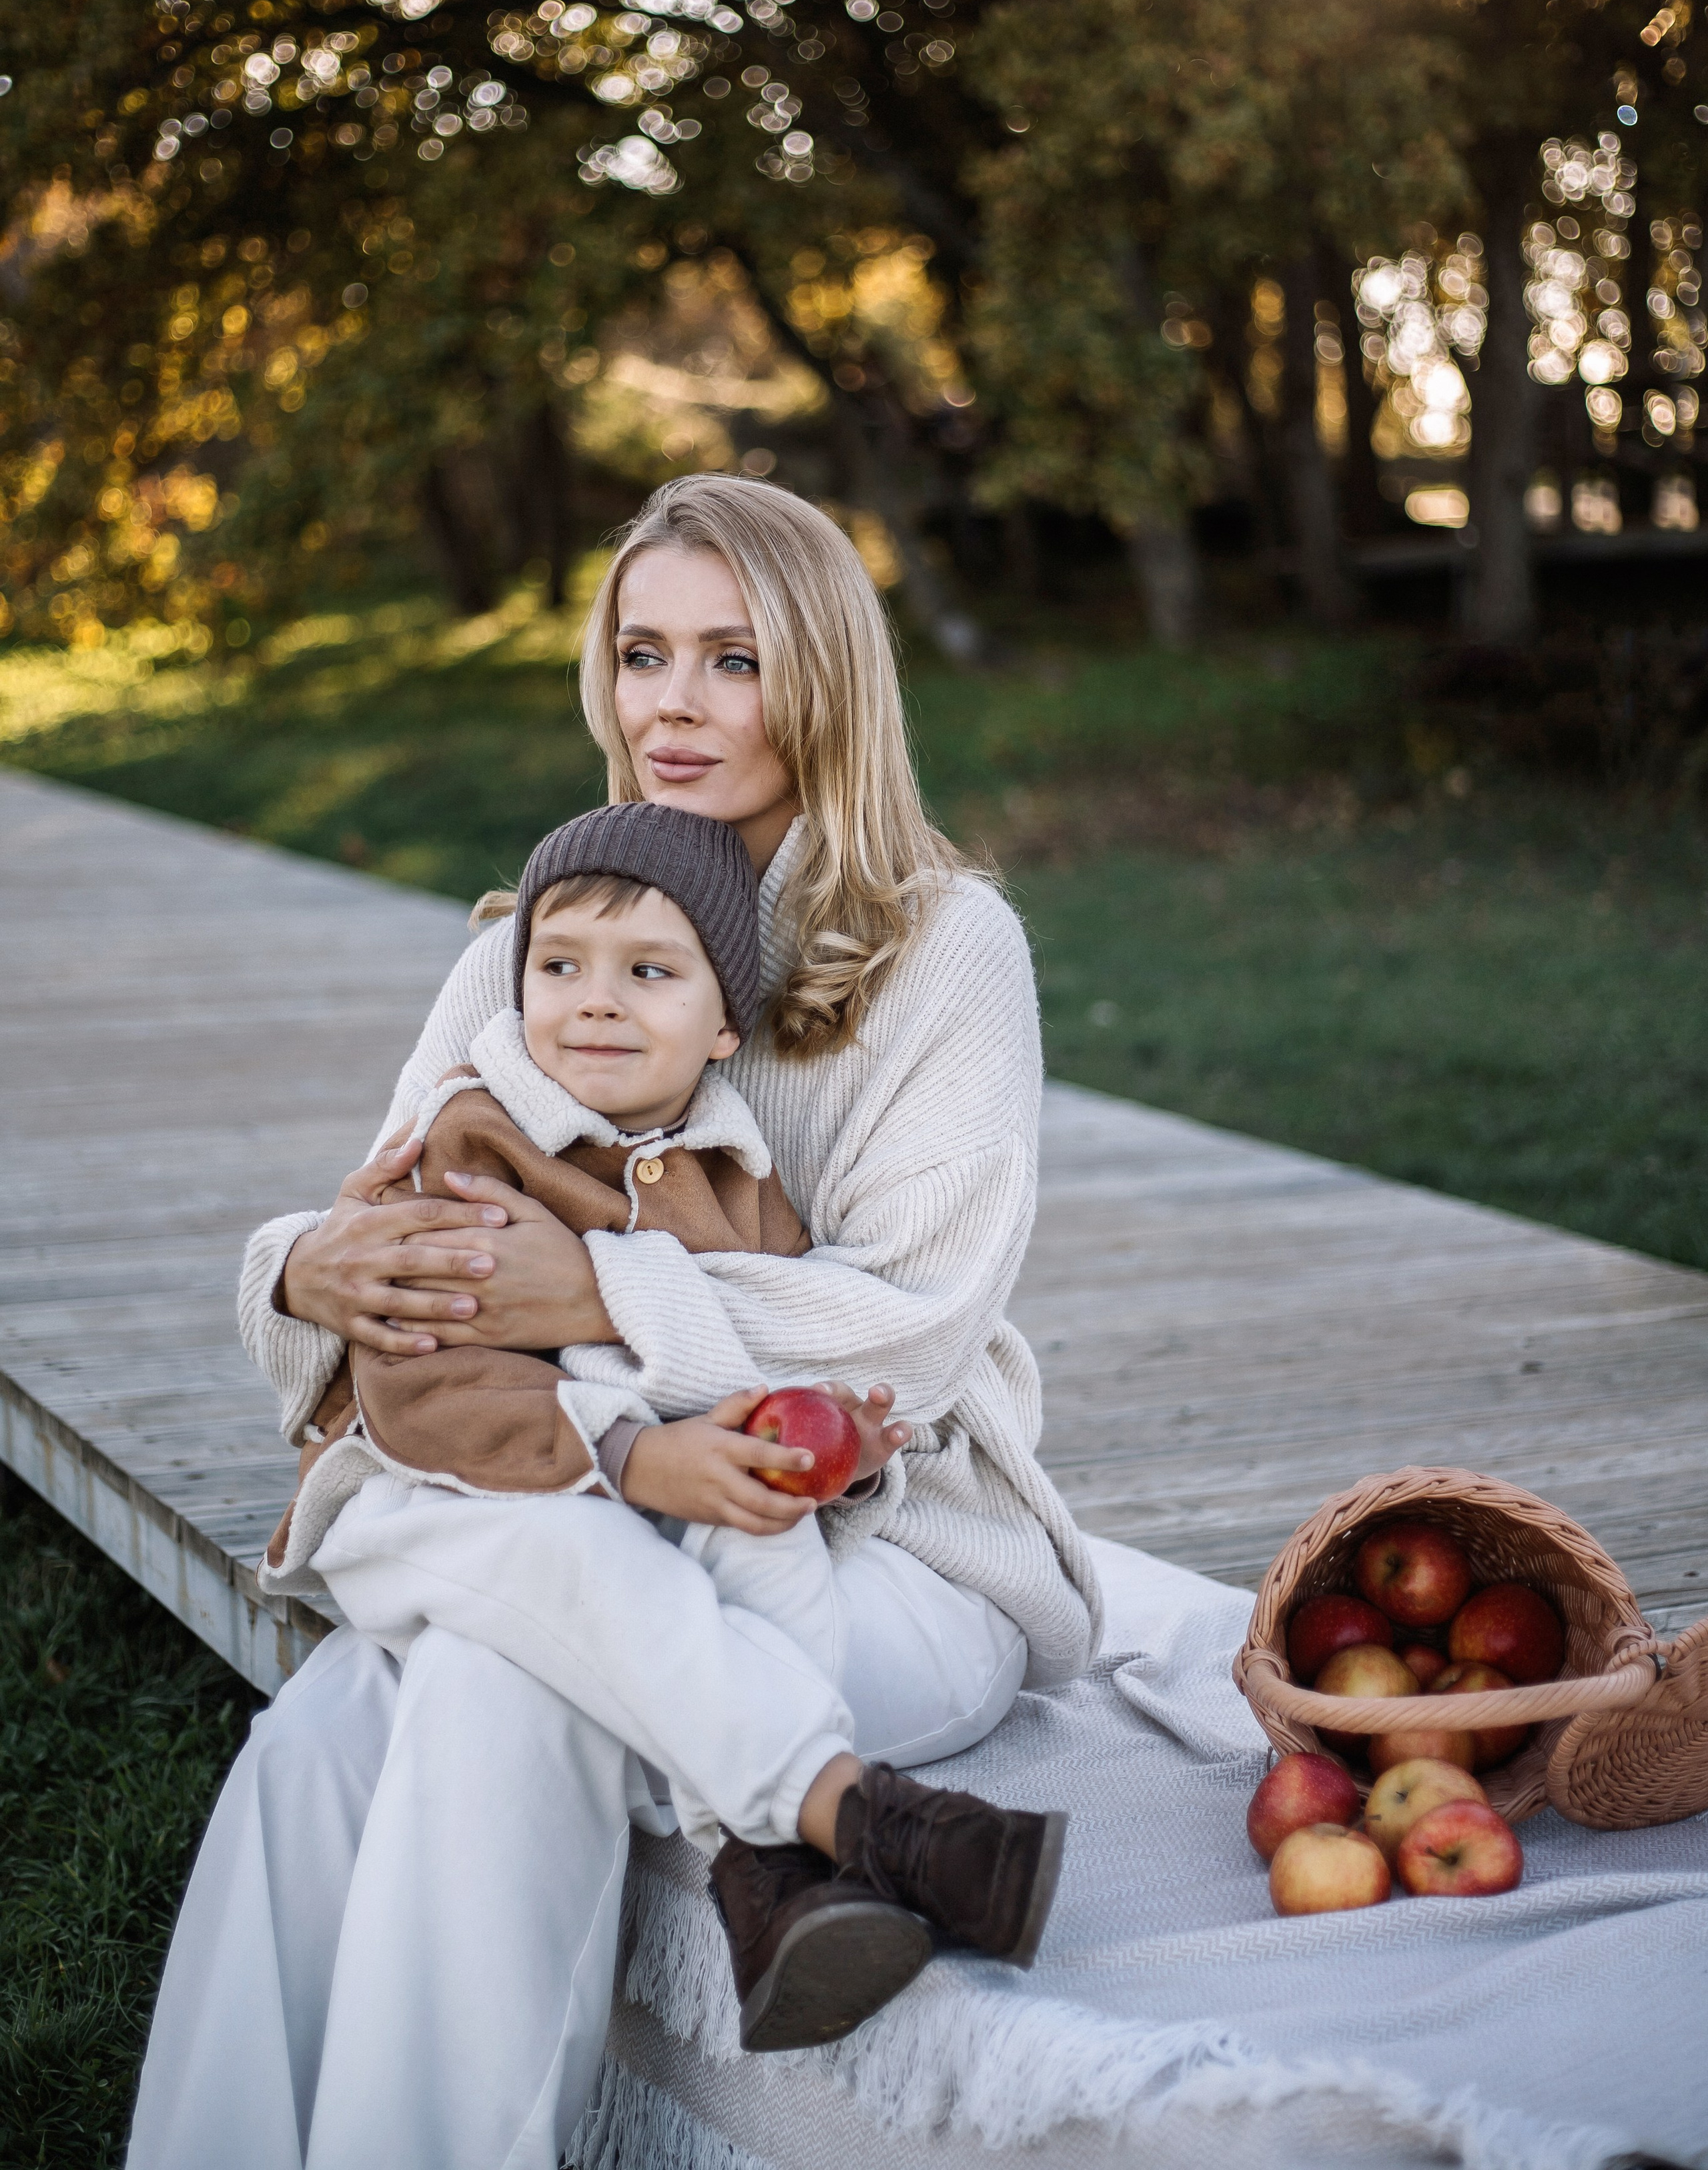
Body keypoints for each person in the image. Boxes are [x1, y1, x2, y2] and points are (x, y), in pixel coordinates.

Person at [128, 475, 1102, 2170]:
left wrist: (593, 1290)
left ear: (823, 681)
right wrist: (296, 1265)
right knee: (314, 1750)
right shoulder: (538, 932)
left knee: (493, 1696)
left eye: (733, 658)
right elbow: (391, 1211)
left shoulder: (947, 948)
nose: (673, 703)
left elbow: (917, 1329)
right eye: (642, 652)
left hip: (876, 1539)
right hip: (559, 1492)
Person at [260, 796, 909, 1753]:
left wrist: (825, 1446)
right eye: (559, 966)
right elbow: (421, 1377)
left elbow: (752, 1352)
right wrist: (634, 1458)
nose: (596, 1000)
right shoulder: (473, 1141)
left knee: (772, 1543)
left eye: (648, 972)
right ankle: (808, 1818)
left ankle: (774, 1840)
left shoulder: (741, 1176)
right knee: (597, 1571)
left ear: (726, 1023)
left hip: (627, 1488)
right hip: (438, 1489)